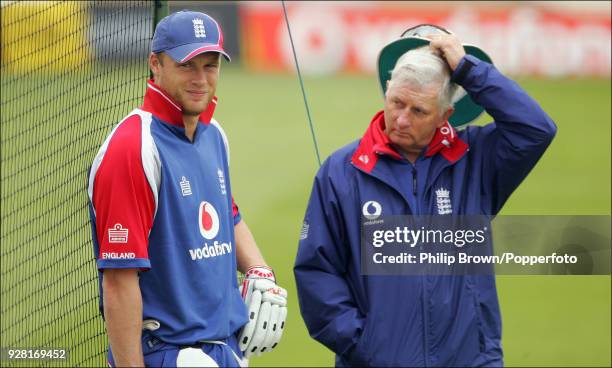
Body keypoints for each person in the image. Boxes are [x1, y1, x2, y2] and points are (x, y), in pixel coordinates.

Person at [294, 24, 556, 367]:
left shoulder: (474, 158)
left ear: (445, 115)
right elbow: (317, 271)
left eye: (418, 111)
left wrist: (469, 70)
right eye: (396, 103)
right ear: (386, 91)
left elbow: (536, 129)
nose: (401, 119)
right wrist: (365, 346)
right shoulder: (341, 171)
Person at [87, 10, 287, 367]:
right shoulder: (133, 147)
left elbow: (227, 215)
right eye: (187, 65)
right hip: (167, 353)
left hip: (225, 348)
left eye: (210, 66)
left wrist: (259, 269)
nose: (200, 79)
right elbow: (118, 280)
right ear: (156, 64)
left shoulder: (214, 136)